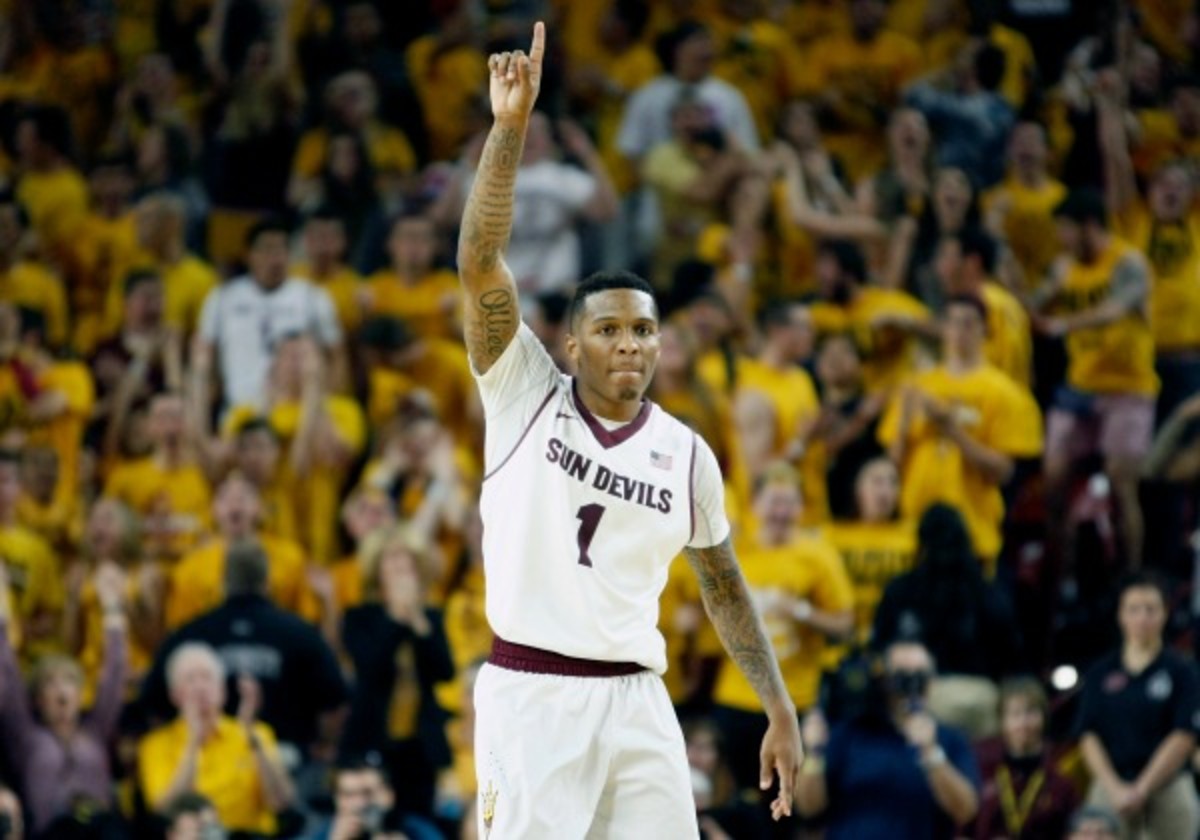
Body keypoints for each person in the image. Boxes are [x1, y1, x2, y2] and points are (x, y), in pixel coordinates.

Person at [456, 22, 801, 837]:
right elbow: (478, 263)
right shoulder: (523, 390)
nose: (629, 344)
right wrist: (510, 133)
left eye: (643, 330)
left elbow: (722, 585)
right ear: (572, 343)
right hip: (533, 694)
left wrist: (779, 704)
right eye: (608, 330)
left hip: (640, 700)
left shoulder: (686, 453)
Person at [139, 541, 347, 769]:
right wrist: (325, 746)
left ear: (223, 582)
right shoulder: (300, 632)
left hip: (207, 759)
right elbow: (334, 701)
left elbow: (154, 704)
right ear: (268, 582)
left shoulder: (190, 633)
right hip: (285, 755)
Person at [1035, 189, 1157, 569]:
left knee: (1122, 482)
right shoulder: (1063, 267)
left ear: (1090, 227)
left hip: (1128, 388)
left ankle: (1131, 571)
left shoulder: (1128, 263)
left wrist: (1064, 324)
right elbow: (1035, 308)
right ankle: (1061, 571)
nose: (1061, 239)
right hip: (1080, 386)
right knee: (1051, 480)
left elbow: (1116, 308)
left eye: (1067, 230)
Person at [796, 640, 980, 838]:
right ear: (884, 681)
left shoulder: (950, 739)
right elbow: (808, 809)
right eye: (901, 678)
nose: (911, 687)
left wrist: (931, 753)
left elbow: (966, 812)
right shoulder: (852, 733)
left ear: (932, 682)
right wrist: (814, 752)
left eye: (920, 677)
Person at [0, 562, 128, 834]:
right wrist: (2, 602)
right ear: (37, 699)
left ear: (80, 694)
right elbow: (8, 672)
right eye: (50, 683)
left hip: (101, 832)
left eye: (69, 681)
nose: (61, 691)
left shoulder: (95, 730)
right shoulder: (26, 736)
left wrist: (113, 609)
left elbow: (115, 676)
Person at [339, 525, 454, 819]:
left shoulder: (430, 617)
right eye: (392, 559)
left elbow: (444, 670)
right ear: (377, 570)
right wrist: (396, 618)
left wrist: (416, 619)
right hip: (372, 740)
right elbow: (371, 667)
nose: (401, 567)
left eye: (408, 560)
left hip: (420, 748)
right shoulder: (358, 618)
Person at [1074, 573, 1200, 838]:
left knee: (1182, 804)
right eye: (1134, 609)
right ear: (1121, 615)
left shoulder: (1182, 671)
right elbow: (1087, 734)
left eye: (1151, 609)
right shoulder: (1100, 672)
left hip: (1168, 782)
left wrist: (1142, 788)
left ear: (1165, 613)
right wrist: (1115, 788)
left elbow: (1184, 735)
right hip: (1112, 780)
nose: (1142, 618)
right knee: (1091, 827)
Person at [136, 641, 296, 833]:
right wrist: (192, 742)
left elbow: (280, 803)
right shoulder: (155, 745)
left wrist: (254, 740)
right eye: (190, 679)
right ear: (174, 695)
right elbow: (165, 813)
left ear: (223, 690)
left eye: (207, 677)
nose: (200, 687)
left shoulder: (256, 732)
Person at [970, 677, 1081, 839]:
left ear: (1044, 717)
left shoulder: (1061, 772)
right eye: (1015, 714)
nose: (1023, 723)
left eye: (1031, 712)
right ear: (1002, 720)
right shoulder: (981, 768)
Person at [305, 755, 442, 840]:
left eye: (367, 793)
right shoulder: (323, 832)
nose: (359, 804)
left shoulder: (415, 829)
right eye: (348, 794)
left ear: (389, 795)